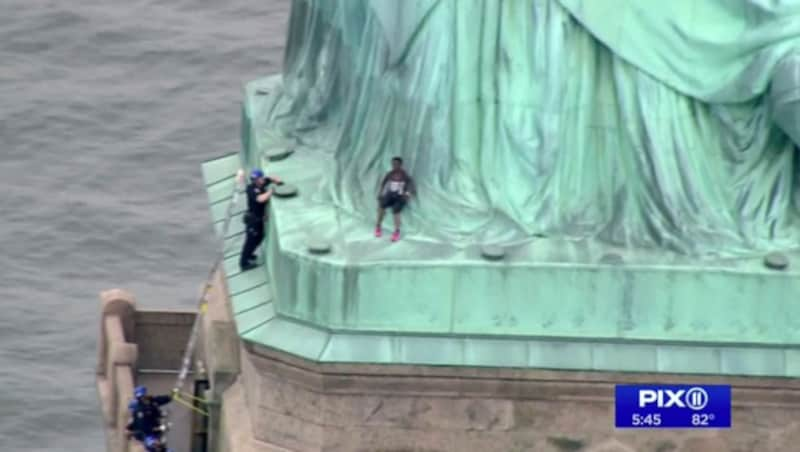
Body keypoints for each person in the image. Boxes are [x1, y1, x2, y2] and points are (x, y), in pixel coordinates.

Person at [240, 168, 281, 271]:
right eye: (259, 179)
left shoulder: (262, 182)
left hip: (260, 219)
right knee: (250, 242)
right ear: (255, 180)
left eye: (261, 178)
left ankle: (250, 254)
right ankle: (244, 263)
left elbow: (271, 178)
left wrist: (278, 182)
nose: (262, 180)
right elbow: (260, 199)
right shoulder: (251, 189)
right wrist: (270, 192)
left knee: (260, 237)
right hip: (253, 220)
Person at [375, 157, 415, 242]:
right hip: (390, 195)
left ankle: (397, 232)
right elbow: (383, 184)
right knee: (381, 206)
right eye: (393, 164)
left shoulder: (405, 175)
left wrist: (407, 195)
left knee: (396, 210)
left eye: (396, 164)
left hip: (400, 196)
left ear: (400, 165)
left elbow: (410, 186)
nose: (394, 165)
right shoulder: (389, 174)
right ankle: (378, 226)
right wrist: (381, 193)